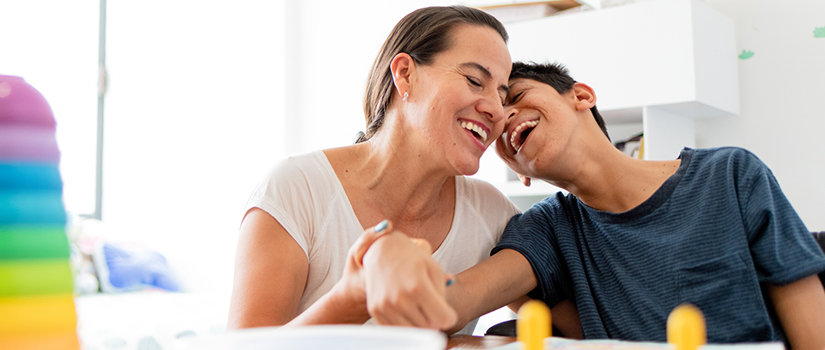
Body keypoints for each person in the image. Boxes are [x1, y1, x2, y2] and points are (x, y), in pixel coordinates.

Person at [365, 61, 825, 348]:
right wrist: (387, 257)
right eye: (499, 129)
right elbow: (455, 300)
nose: (505, 121)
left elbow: (811, 331)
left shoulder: (730, 175)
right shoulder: (548, 228)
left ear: (581, 96)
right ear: (520, 171)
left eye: (518, 98)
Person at [227, 5, 520, 333]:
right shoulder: (295, 189)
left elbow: (571, 314)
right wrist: (351, 298)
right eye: (474, 80)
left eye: (503, 95)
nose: (496, 110)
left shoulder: (492, 214)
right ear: (405, 74)